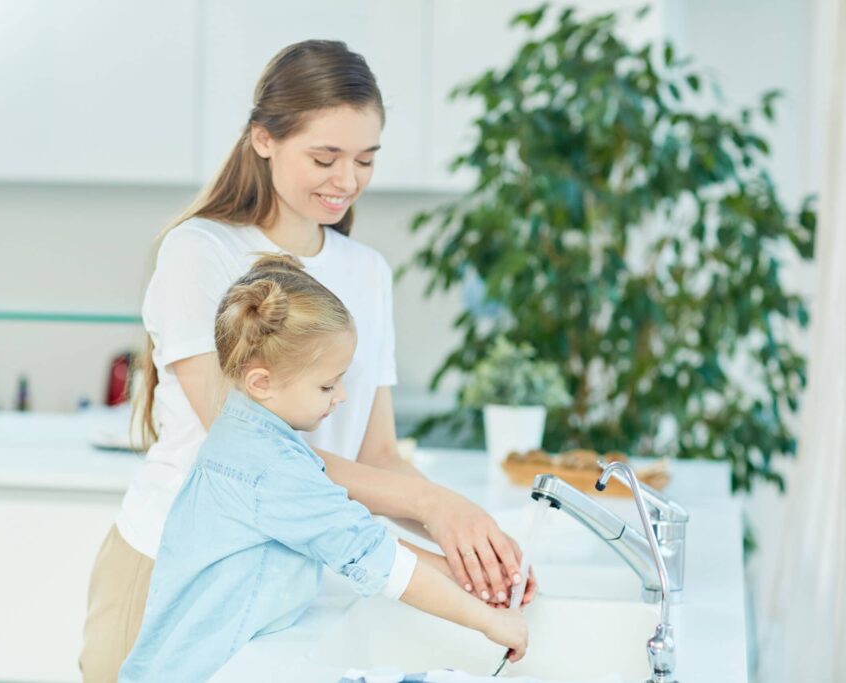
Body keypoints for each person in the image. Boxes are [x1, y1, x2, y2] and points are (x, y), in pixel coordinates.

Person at [80, 39, 535, 681]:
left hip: (290, 578)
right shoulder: (198, 253)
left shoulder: (367, 274)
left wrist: (465, 541)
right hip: (177, 574)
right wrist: (430, 509)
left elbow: (375, 453)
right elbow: (255, 450)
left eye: (366, 159)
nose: (347, 181)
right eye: (325, 157)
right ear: (264, 139)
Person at [119, 255, 528, 681]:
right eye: (327, 385)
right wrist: (489, 621)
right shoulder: (272, 468)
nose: (342, 396)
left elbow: (364, 542)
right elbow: (378, 560)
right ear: (261, 383)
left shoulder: (248, 437)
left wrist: (480, 578)